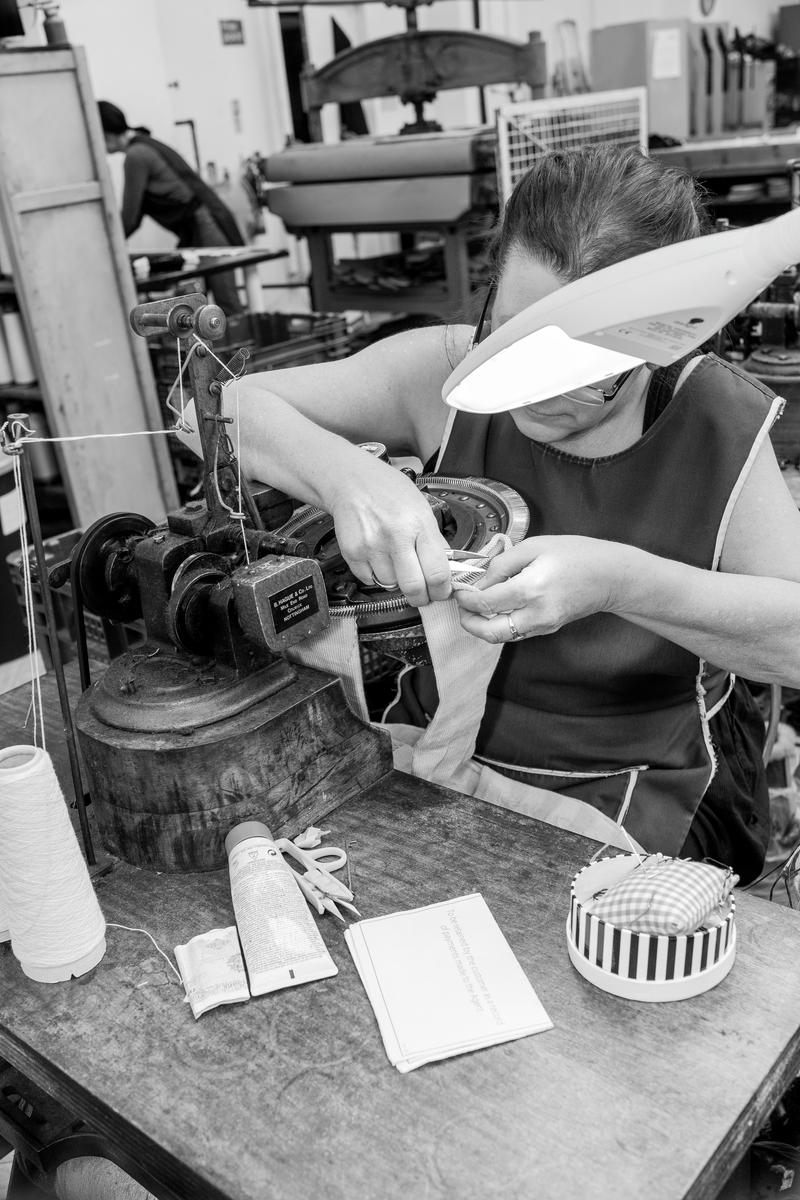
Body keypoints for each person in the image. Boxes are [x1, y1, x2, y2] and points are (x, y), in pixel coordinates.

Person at [220, 144, 800, 885]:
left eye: (586, 371)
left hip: (632, 779)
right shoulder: (441, 372)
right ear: (490, 294)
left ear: (661, 340)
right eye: (513, 341)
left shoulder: (715, 422)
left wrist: (622, 583)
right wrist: (347, 478)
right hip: (438, 743)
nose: (532, 390)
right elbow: (211, 410)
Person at [98, 100, 245, 315]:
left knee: (226, 304)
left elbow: (130, 218)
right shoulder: (145, 144)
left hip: (206, 227)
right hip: (204, 225)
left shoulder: (136, 156)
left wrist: (106, 246)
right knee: (203, 306)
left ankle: (246, 350)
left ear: (107, 135)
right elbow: (134, 217)